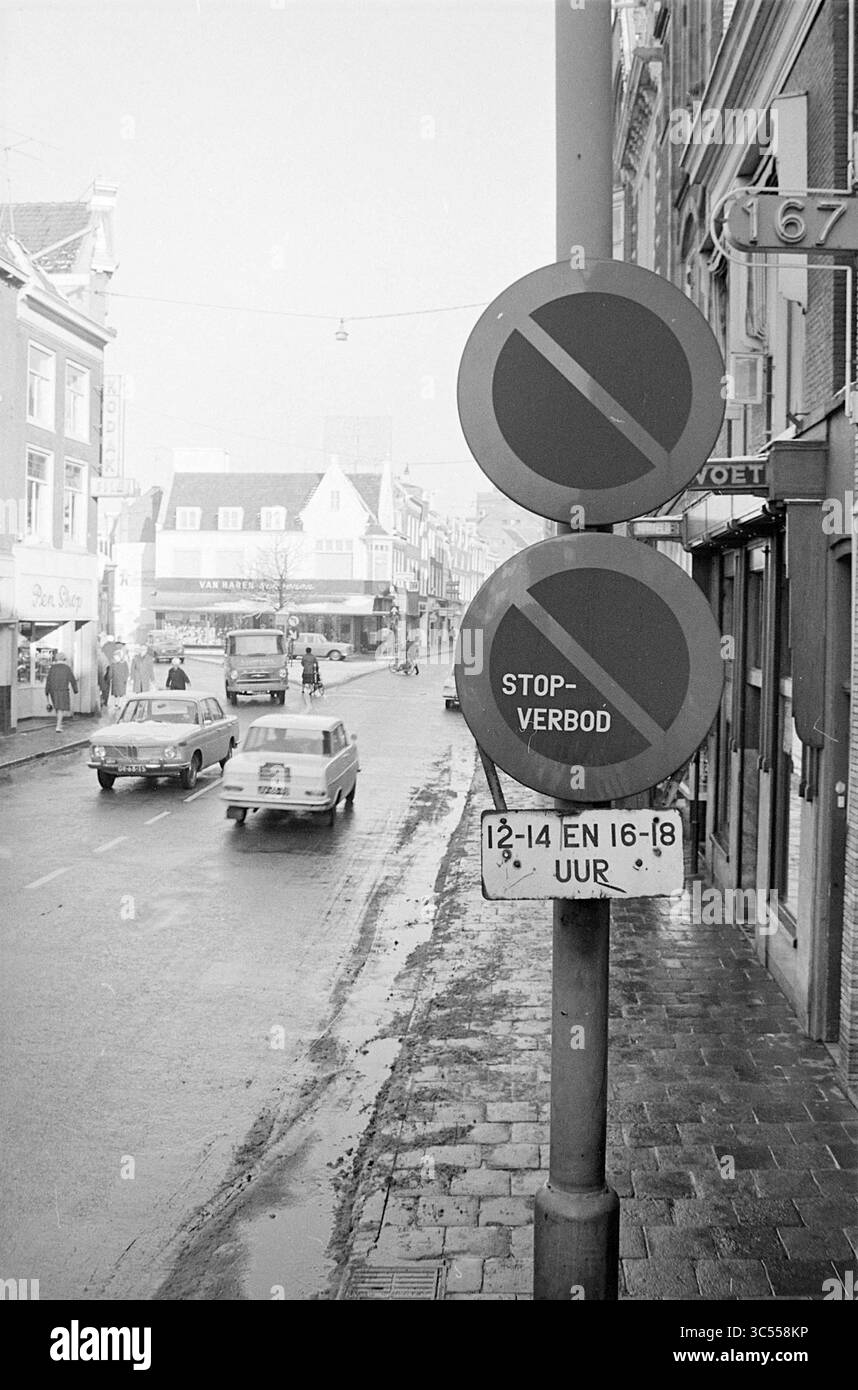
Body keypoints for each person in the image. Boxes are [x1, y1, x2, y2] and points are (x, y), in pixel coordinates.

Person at [44, 652, 79, 733]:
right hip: (63, 690)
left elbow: (48, 680)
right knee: (61, 708)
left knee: (57, 707)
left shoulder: (52, 668)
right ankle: (58, 726)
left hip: (53, 690)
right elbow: (72, 680)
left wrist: (46, 691)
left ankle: (59, 723)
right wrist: (75, 690)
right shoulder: (67, 668)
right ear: (64, 659)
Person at [108, 645, 129, 712]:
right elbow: (110, 673)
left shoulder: (124, 663)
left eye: (117, 656)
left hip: (122, 681)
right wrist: (109, 678)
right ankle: (116, 704)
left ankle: (119, 704)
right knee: (116, 694)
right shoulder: (113, 664)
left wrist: (126, 679)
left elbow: (127, 672)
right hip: (115, 681)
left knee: (121, 694)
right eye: (115, 657)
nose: (116, 658)